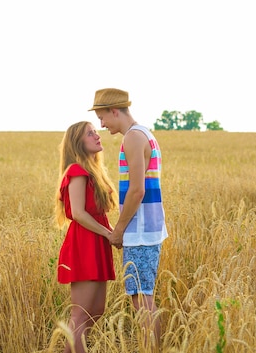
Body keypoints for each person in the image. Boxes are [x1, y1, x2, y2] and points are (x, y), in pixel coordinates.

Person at [89, 88, 168, 351]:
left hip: (141, 230)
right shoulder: (143, 134)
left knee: (141, 298)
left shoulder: (133, 138)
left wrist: (119, 230)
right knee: (141, 295)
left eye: (103, 117)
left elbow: (137, 190)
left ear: (115, 111)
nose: (101, 124)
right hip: (147, 228)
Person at [54, 121, 119, 353]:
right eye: (90, 134)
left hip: (97, 241)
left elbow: (98, 213)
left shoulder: (94, 172)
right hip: (85, 243)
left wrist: (113, 233)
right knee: (80, 314)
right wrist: (109, 234)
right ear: (78, 143)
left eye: (96, 132)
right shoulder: (76, 171)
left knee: (96, 311)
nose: (97, 135)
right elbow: (80, 214)